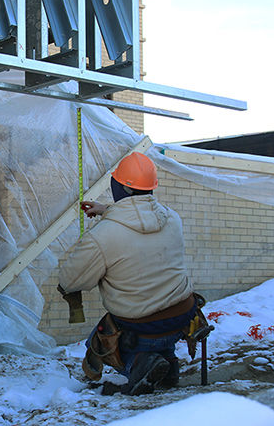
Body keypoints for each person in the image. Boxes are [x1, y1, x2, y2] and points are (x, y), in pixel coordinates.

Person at [57, 152, 197, 395]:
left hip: (143, 330)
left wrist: (94, 240)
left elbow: (70, 281)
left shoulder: (103, 236)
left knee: (99, 338)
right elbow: (140, 217)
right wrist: (107, 211)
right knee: (158, 311)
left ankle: (138, 365)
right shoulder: (173, 219)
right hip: (182, 318)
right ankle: (168, 361)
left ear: (118, 187)